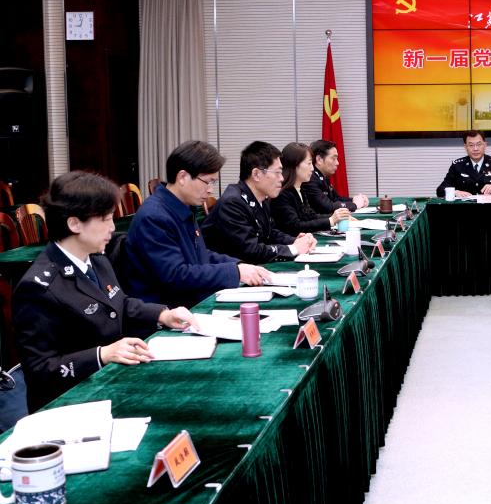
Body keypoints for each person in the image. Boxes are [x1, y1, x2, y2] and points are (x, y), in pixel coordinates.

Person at [12, 172, 197, 411]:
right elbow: (40, 369)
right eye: (105, 219)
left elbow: (118, 304)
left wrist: (163, 314)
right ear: (74, 224)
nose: (112, 227)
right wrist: (102, 355)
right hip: (71, 406)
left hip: (112, 386)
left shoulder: (97, 259)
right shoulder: (38, 287)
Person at [123, 140, 272, 308]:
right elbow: (176, 275)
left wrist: (238, 265)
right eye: (207, 181)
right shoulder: (154, 216)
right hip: (166, 313)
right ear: (182, 177)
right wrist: (234, 272)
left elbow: (199, 255)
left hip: (189, 302)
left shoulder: (182, 206)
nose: (210, 190)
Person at [201, 141, 318, 263]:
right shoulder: (232, 203)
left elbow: (270, 233)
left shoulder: (261, 198)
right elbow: (250, 251)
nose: (282, 178)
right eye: (277, 172)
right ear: (256, 174)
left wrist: (295, 241)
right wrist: (293, 249)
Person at [272, 142, 350, 235]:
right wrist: (330, 221)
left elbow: (310, 216)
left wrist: (337, 217)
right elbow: (295, 226)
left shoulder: (300, 189)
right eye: (309, 163)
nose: (312, 168)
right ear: (295, 165)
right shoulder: (282, 194)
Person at [436, 130, 491, 198]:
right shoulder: (457, 166)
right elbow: (440, 190)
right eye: (471, 145)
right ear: (465, 147)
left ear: (485, 145)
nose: (475, 149)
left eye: (479, 144)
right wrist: (455, 192)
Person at [302, 139, 369, 214]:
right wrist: (355, 205)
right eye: (333, 158)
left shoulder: (323, 176)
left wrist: (355, 200)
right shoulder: (310, 179)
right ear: (319, 159)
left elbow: (336, 199)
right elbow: (328, 207)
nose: (337, 163)